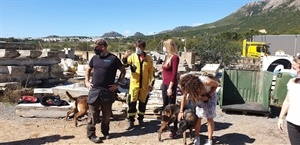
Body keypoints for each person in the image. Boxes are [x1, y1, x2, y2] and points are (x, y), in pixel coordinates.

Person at [85, 39, 126, 143]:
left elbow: (123, 70)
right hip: (94, 90)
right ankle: (91, 134)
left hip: (107, 91)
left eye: (97, 46)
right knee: (92, 114)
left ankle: (105, 132)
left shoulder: (113, 58)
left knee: (106, 115)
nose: (95, 49)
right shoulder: (94, 58)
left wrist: (117, 84)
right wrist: (86, 81)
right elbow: (88, 69)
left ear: (102, 46)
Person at [122, 40, 155, 130]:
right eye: (137, 47)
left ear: (143, 48)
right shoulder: (132, 57)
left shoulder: (148, 59)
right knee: (132, 103)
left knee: (142, 103)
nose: (138, 49)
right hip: (134, 84)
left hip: (144, 85)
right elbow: (124, 64)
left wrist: (151, 83)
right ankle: (131, 121)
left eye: (140, 47)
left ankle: (140, 120)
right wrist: (124, 57)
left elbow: (151, 72)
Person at [178, 74, 219, 145]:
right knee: (198, 117)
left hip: (210, 96)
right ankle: (197, 137)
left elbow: (216, 85)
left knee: (209, 118)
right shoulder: (188, 86)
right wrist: (181, 111)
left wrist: (208, 96)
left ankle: (209, 140)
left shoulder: (207, 81)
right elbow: (184, 97)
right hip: (199, 97)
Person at [277, 56, 300, 145]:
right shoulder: (292, 82)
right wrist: (280, 118)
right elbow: (287, 101)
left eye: (294, 68)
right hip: (292, 123)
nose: (291, 70)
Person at [161, 39, 180, 138]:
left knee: (172, 108)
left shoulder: (175, 58)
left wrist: (170, 87)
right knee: (165, 107)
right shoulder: (167, 57)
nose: (164, 48)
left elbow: (174, 73)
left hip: (170, 85)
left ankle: (175, 128)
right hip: (164, 84)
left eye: (165, 46)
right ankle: (165, 125)